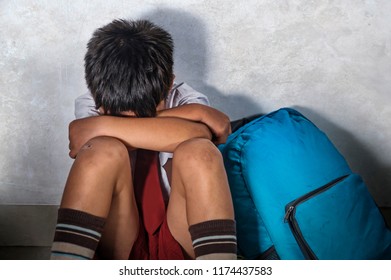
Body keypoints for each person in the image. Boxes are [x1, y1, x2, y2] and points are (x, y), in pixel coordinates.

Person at [50, 19, 236, 260]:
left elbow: (199, 136)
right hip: (121, 236)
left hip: (181, 235)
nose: (133, 118)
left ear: (169, 84)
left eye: (143, 112)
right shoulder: (95, 96)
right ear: (94, 90)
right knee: (101, 150)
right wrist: (195, 116)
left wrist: (109, 122)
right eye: (122, 114)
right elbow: (79, 138)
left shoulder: (183, 96)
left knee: (200, 151)